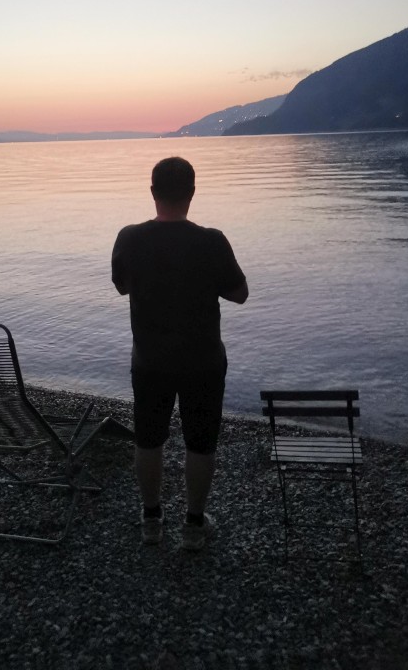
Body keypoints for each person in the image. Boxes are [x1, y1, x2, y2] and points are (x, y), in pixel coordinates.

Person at [111, 156, 248, 550]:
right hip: (202, 360)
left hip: (149, 360)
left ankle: (151, 519)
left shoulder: (129, 238)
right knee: (200, 443)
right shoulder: (212, 241)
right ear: (192, 193)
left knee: (148, 439)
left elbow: (123, 286)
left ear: (152, 192)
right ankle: (193, 525)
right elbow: (240, 294)